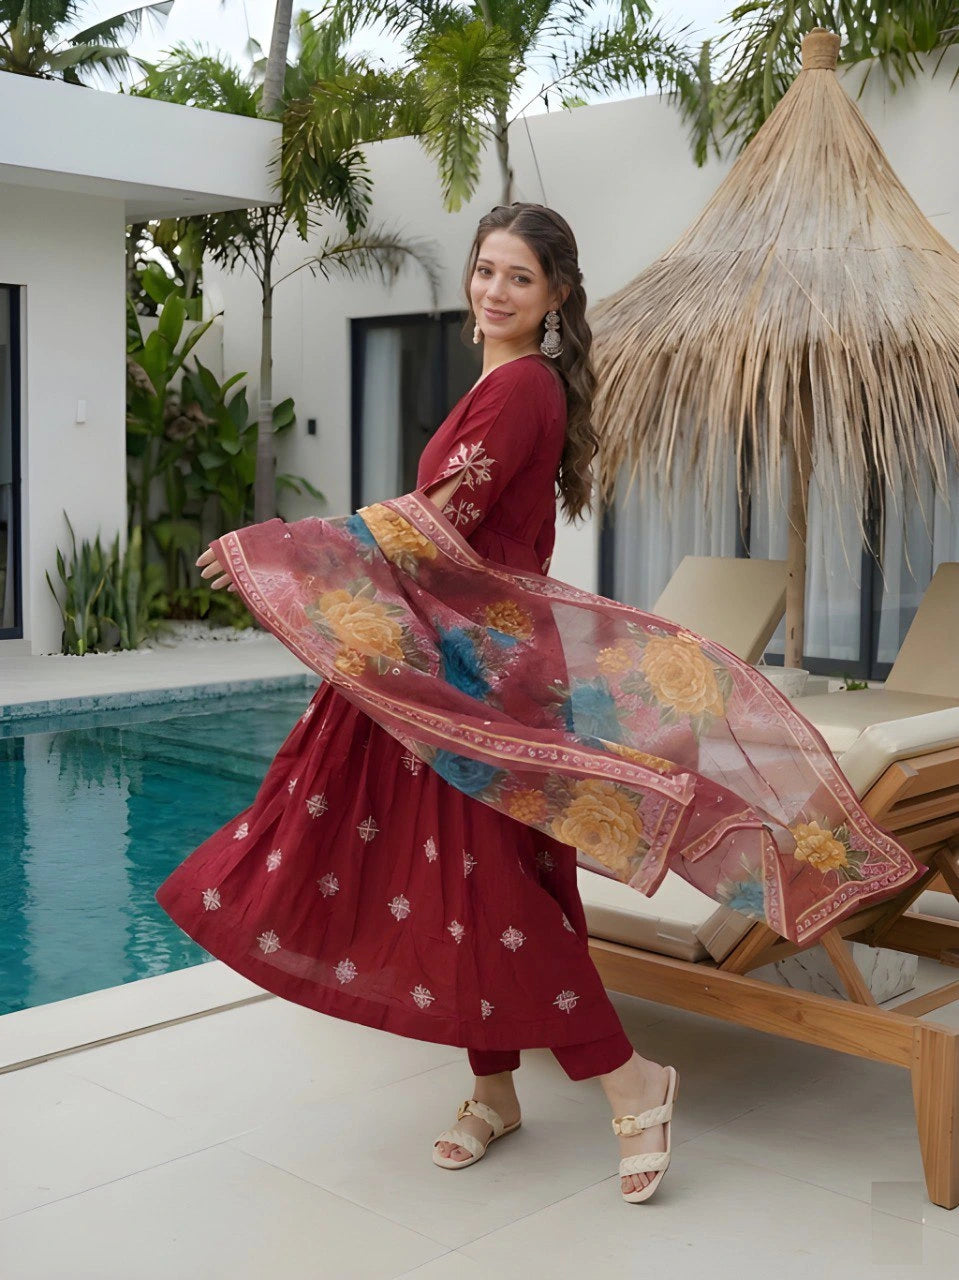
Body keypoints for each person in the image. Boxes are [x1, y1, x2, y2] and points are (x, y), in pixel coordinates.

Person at [159, 202, 679, 1205]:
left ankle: (632, 1077)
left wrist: (272, 551)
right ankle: (492, 1088)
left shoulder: (519, 388)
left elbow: (424, 533)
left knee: (490, 885)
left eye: (518, 277)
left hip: (477, 680)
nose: (493, 290)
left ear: (555, 296)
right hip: (450, 665)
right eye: (484, 269)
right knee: (453, 876)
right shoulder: (504, 381)